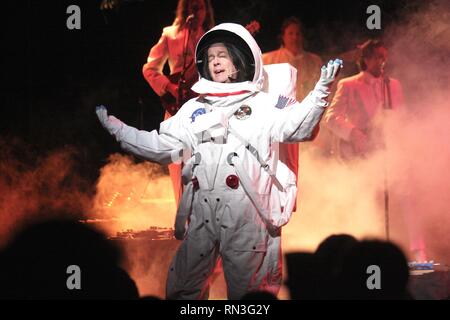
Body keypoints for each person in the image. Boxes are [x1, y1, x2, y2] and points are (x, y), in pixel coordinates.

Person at [97, 22, 342, 299]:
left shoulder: (266, 104)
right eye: (211, 57)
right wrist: (120, 131)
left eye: (222, 56)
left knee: (251, 296)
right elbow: (162, 146)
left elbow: (299, 128)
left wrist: (321, 91)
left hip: (247, 215)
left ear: (239, 59)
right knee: (183, 290)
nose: (215, 62)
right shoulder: (194, 109)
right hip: (202, 215)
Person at [324, 39, 427, 262]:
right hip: (361, 155)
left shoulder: (393, 85)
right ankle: (365, 256)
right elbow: (331, 118)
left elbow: (400, 117)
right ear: (366, 59)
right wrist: (353, 133)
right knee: (368, 202)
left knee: (408, 195)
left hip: (389, 151)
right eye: (378, 57)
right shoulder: (349, 84)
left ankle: (419, 252)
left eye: (384, 57)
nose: (383, 62)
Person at [142, 0, 215, 207]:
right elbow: (150, 68)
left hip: (204, 104)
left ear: (206, 10)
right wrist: (169, 87)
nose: (197, 11)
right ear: (185, 9)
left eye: (200, 7)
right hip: (177, 104)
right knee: (177, 158)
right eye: (193, 6)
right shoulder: (171, 34)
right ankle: (184, 216)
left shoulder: (212, 37)